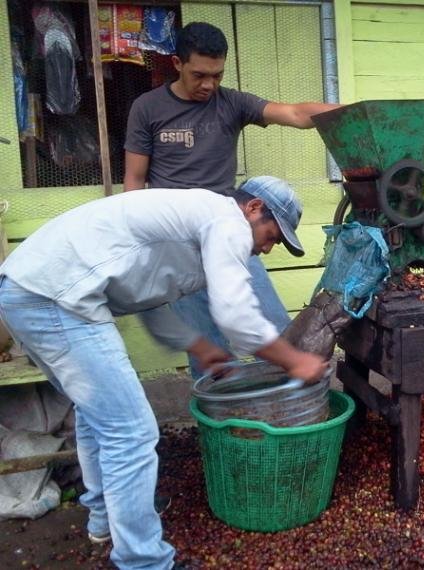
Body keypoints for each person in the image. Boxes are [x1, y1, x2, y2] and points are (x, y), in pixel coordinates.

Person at [0, 176, 328, 570]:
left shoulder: (192, 223)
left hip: (27, 290)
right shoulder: (225, 220)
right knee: (131, 431)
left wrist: (198, 345)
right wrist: (294, 360)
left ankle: (106, 517)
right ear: (254, 208)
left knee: (97, 414)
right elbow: (236, 315)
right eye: (272, 235)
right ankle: (143, 561)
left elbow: (148, 301)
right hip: (54, 297)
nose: (267, 248)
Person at [123, 21, 340, 377]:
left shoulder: (232, 103)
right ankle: (226, 430)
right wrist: (140, 246)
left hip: (231, 234)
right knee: (211, 356)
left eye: (217, 75)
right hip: (177, 246)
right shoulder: (147, 108)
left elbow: (296, 114)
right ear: (176, 63)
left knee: (273, 331)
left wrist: (356, 110)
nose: (209, 85)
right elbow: (134, 181)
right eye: (199, 75)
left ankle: (283, 425)